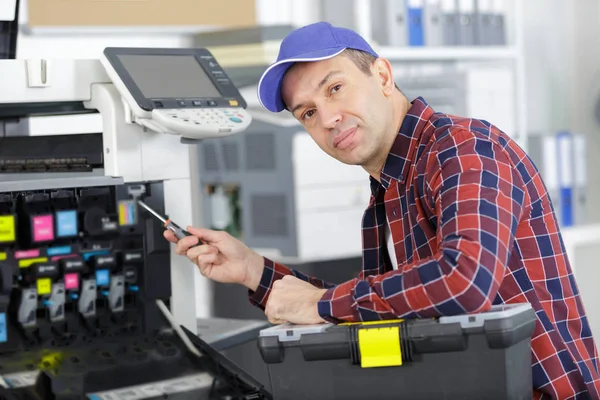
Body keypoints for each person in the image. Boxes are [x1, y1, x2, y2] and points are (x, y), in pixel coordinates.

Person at [165, 22, 600, 399]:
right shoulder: (387, 192)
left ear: (383, 75)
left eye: (335, 88)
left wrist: (322, 303)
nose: (328, 118)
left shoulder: (463, 149)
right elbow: (381, 310)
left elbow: (464, 282)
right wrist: (253, 271)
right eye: (308, 113)